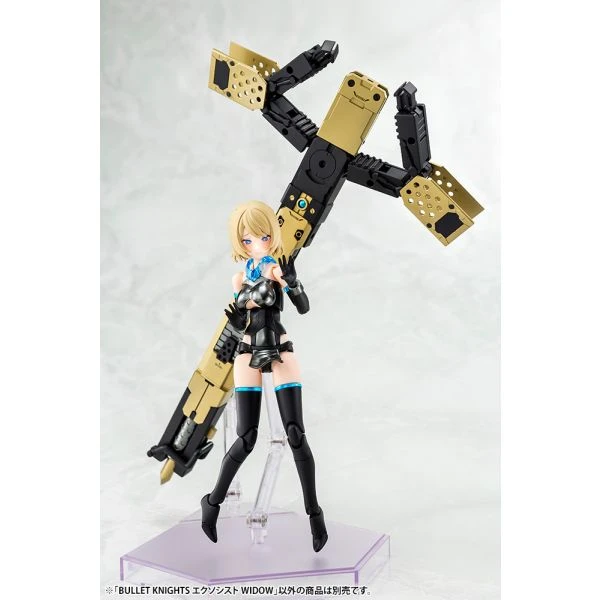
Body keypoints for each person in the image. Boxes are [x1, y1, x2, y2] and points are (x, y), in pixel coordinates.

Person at [200, 200, 328, 552]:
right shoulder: (239, 278)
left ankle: (315, 514)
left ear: (272, 235)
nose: (256, 244)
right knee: (247, 437)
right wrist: (238, 317)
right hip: (247, 351)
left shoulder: (275, 270)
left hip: (280, 346)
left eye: (263, 237)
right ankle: (212, 502)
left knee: (294, 433)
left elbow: (303, 307)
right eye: (247, 240)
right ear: (239, 242)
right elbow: (241, 318)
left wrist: (294, 284)